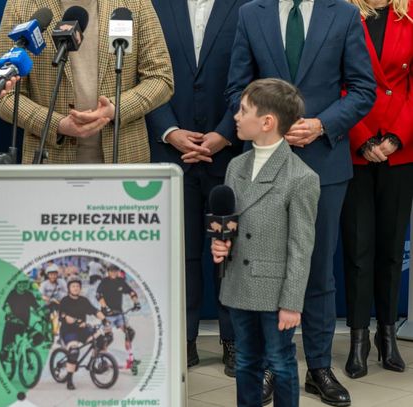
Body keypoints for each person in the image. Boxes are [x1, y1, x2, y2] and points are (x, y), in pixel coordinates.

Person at [225, 0, 376, 403]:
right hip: (261, 164)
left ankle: (319, 367)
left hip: (324, 163)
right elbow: (236, 88)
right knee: (263, 269)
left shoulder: (344, 14)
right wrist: (269, 130)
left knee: (317, 269)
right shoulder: (251, 14)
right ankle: (271, 366)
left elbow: (363, 89)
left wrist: (322, 124)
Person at [146, 0, 246, 377]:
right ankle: (183, 338)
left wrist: (225, 132)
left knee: (230, 252)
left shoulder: (248, 6)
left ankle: (233, 340)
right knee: (179, 253)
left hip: (230, 153)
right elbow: (141, 71)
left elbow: (253, 76)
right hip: (170, 153)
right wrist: (170, 131)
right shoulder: (153, 5)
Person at [212, 78, 320, 407]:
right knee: (246, 360)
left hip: (276, 294)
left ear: (267, 122)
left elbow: (301, 248)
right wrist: (222, 244)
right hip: (239, 285)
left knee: (281, 362)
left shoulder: (301, 177)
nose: (236, 116)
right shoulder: (236, 166)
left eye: (244, 111)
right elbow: (230, 223)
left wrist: (292, 303)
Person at [0, 0, 174, 164]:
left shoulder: (135, 3)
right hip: (50, 160)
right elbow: (4, 94)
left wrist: (115, 108)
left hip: (125, 157)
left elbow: (160, 77)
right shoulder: (21, 5)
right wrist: (58, 124)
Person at [340, 0, 413, 379]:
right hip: (355, 147)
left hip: (401, 151)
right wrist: (363, 138)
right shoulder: (342, 13)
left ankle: (387, 336)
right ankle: (358, 339)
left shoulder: (411, 13)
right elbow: (334, 81)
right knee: (357, 250)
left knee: (390, 249)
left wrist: (397, 137)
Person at [58, 276, 109, 390]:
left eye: (77, 286)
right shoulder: (65, 301)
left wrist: (104, 320)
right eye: (73, 286)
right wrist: (76, 321)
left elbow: (94, 311)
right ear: (69, 288)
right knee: (74, 352)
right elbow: (65, 317)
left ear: (80, 288)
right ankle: (69, 380)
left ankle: (92, 363)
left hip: (82, 330)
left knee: (101, 338)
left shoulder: (83, 300)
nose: (76, 288)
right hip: (68, 331)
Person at [96, 264, 140, 370]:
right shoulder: (104, 282)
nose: (114, 273)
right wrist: (105, 307)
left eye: (115, 271)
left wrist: (136, 302)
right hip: (107, 315)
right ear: (108, 272)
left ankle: (130, 358)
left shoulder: (120, 281)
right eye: (111, 271)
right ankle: (101, 361)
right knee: (107, 338)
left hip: (119, 314)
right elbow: (98, 295)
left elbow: (131, 292)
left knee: (130, 333)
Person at [0, 280, 41, 364]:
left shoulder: (29, 294)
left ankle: (27, 349)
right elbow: (5, 305)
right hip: (11, 325)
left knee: (39, 337)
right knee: (5, 351)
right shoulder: (11, 294)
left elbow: (36, 307)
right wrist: (9, 313)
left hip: (24, 325)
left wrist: (43, 314)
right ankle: (4, 360)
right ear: (17, 284)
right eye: (20, 283)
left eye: (25, 283)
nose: (23, 285)